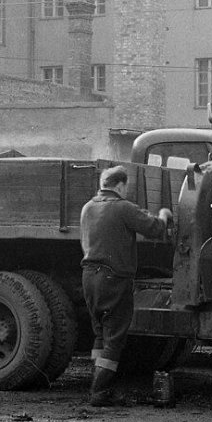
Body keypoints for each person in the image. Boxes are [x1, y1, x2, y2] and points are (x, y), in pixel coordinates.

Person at [80, 165, 173, 407]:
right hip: (114, 279)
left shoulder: (88, 207)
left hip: (89, 277)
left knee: (100, 333)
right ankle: (99, 393)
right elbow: (154, 229)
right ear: (121, 186)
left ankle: (97, 385)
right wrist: (164, 214)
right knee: (115, 338)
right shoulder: (123, 208)